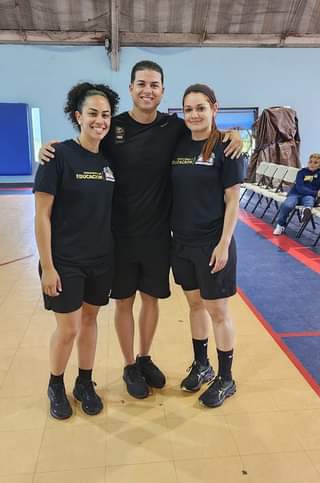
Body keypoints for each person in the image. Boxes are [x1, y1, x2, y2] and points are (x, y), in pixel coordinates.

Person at [39, 60, 243, 400]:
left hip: (158, 236)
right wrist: (51, 147)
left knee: (152, 301)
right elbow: (81, 147)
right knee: (123, 304)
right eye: (141, 84)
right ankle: (129, 363)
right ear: (131, 89)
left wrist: (232, 135)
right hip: (116, 237)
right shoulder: (110, 127)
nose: (148, 90)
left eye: (154, 85)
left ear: (162, 91)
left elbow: (206, 132)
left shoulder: (173, 127)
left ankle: (146, 357)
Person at [34, 82, 119, 419]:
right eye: (93, 114)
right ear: (78, 116)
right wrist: (47, 266)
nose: (100, 120)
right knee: (68, 327)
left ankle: (85, 382)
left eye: (106, 115)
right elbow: (42, 214)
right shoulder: (58, 156)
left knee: (90, 319)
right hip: (65, 260)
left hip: (101, 259)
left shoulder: (110, 159)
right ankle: (56, 384)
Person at [171, 84, 244, 408]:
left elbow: (232, 200)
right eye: (188, 109)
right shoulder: (178, 144)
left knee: (218, 310)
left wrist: (224, 244)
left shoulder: (225, 147)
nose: (194, 114)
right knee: (195, 306)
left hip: (213, 243)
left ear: (214, 108)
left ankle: (226, 378)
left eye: (201, 107)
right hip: (182, 243)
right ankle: (202, 366)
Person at [273, 153, 320, 235]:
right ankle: (280, 225)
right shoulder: (301, 172)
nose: (312, 164)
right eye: (310, 162)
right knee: (287, 205)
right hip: (295, 194)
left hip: (309, 196)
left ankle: (306, 211)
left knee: (309, 200)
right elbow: (300, 187)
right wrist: (315, 192)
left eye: (316, 163)